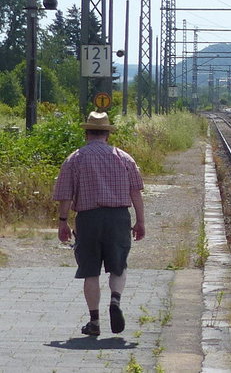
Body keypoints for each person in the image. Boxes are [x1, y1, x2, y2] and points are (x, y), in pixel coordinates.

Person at [53, 111, 146, 337]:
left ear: (87, 134)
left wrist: (63, 222)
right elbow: (136, 192)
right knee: (118, 265)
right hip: (118, 218)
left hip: (88, 219)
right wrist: (140, 221)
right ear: (107, 134)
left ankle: (94, 322)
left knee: (90, 271)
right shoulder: (124, 158)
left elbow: (65, 195)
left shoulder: (75, 158)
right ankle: (115, 300)